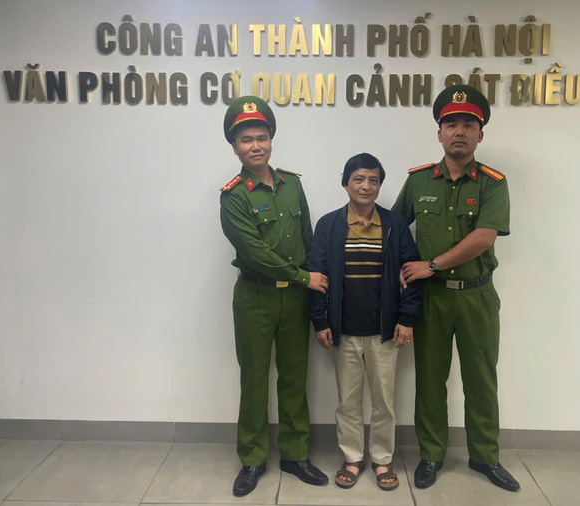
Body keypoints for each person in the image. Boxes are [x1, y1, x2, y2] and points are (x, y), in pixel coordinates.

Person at [392, 85, 520, 492]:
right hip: (431, 298)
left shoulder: (492, 183)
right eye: (451, 125)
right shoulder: (418, 181)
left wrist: (430, 264)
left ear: (480, 135)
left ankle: (485, 457)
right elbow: (395, 228)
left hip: (476, 296)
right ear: (439, 133)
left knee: (481, 378)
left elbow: (484, 237)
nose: (459, 132)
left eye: (468, 125)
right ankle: (431, 455)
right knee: (430, 380)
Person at [219, 96, 329, 497]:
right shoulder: (233, 196)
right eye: (246, 140)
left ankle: (295, 455)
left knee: (295, 378)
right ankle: (252, 459)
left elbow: (308, 239)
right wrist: (303, 277)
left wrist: (309, 281)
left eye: (261, 137)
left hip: (294, 300)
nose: (255, 146)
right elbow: (254, 252)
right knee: (254, 379)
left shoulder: (292, 185)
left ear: (271, 140)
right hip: (255, 298)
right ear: (234, 147)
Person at [308, 153, 422, 491]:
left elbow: (411, 275)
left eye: (373, 180)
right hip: (343, 330)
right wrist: (320, 321)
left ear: (380, 186)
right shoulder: (328, 225)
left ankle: (383, 459)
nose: (365, 186)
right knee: (348, 401)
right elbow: (316, 275)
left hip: (385, 332)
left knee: (384, 401)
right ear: (346, 184)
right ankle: (352, 457)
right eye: (358, 179)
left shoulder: (395, 225)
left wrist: (407, 319)